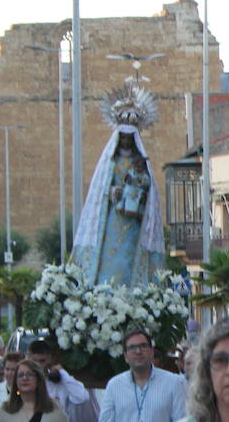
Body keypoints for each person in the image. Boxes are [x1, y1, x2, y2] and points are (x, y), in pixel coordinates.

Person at [70, 96, 164, 288]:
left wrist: (139, 185)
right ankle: (106, 287)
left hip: (134, 220)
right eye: (123, 137)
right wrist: (114, 191)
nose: (126, 141)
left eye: (130, 138)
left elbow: (149, 186)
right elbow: (101, 188)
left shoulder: (141, 162)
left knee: (129, 255)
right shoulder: (110, 162)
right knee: (110, 256)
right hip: (113, 216)